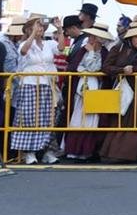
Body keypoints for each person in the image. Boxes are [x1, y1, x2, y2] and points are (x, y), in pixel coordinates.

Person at [99, 24, 137, 163]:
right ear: (129, 38)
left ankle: (130, 154)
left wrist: (132, 69)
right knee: (118, 120)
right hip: (122, 87)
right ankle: (113, 153)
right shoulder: (118, 48)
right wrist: (122, 70)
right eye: (136, 36)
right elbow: (106, 67)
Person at [11, 16, 62, 166]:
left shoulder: (48, 43)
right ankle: (29, 152)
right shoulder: (24, 43)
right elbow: (24, 51)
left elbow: (60, 48)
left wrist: (59, 29)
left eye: (40, 26)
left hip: (46, 84)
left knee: (48, 118)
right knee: (28, 118)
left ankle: (48, 151)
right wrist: (32, 35)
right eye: (35, 26)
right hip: (29, 83)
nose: (39, 29)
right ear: (28, 29)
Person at [63, 25, 111, 160]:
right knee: (78, 117)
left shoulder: (104, 53)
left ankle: (87, 151)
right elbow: (74, 66)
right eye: (90, 36)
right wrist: (83, 68)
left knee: (92, 119)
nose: (90, 39)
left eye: (93, 36)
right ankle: (73, 150)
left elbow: (95, 68)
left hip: (96, 86)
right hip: (82, 87)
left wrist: (90, 56)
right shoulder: (82, 50)